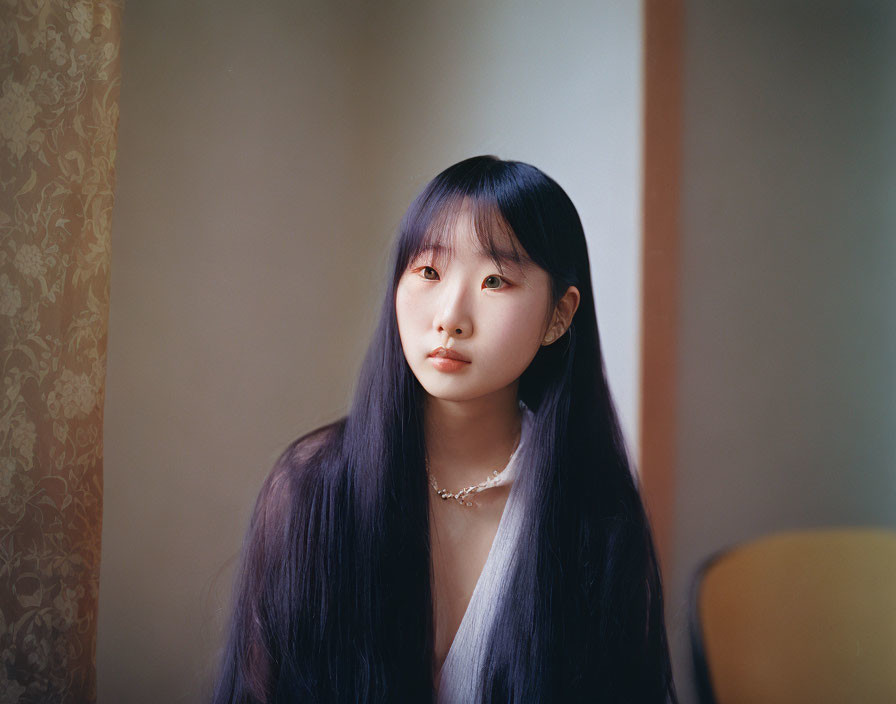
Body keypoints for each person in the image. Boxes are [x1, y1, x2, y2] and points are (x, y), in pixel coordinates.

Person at [211, 155, 678, 703]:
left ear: (559, 315)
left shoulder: (594, 513)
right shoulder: (312, 488)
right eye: (429, 272)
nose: (450, 316)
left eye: (495, 280)